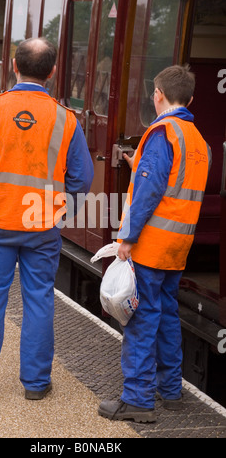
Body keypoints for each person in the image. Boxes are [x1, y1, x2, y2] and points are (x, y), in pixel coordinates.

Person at [0, 38, 94, 401]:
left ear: (13, 67)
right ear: (51, 72)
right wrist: (58, 212)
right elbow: (81, 177)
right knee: (39, 299)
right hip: (41, 226)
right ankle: (35, 384)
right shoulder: (66, 119)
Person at [98, 65, 211, 423]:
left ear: (158, 94)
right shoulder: (198, 141)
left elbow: (149, 193)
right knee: (165, 314)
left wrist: (127, 239)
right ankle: (171, 390)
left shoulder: (163, 132)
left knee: (139, 319)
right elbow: (175, 186)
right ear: (190, 99)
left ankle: (137, 400)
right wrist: (140, 166)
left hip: (151, 245)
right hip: (178, 247)